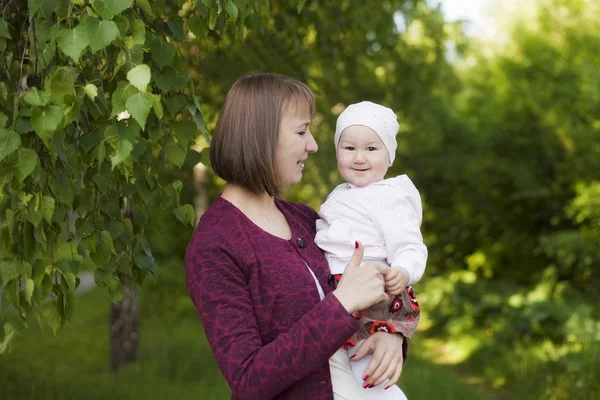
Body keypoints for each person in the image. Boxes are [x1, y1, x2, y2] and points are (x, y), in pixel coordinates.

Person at [185, 74, 407, 400]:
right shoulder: (215, 244)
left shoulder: (305, 219)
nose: (314, 144)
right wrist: (341, 306)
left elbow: (380, 280)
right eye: (302, 131)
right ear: (261, 135)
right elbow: (248, 380)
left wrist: (391, 332)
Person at [315, 101, 428, 398]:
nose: (359, 158)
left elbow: (410, 245)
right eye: (349, 148)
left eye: (371, 149)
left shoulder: (389, 198)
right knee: (351, 371)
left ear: (389, 156)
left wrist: (404, 269)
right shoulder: (339, 195)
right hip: (343, 293)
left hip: (374, 294)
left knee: (370, 371)